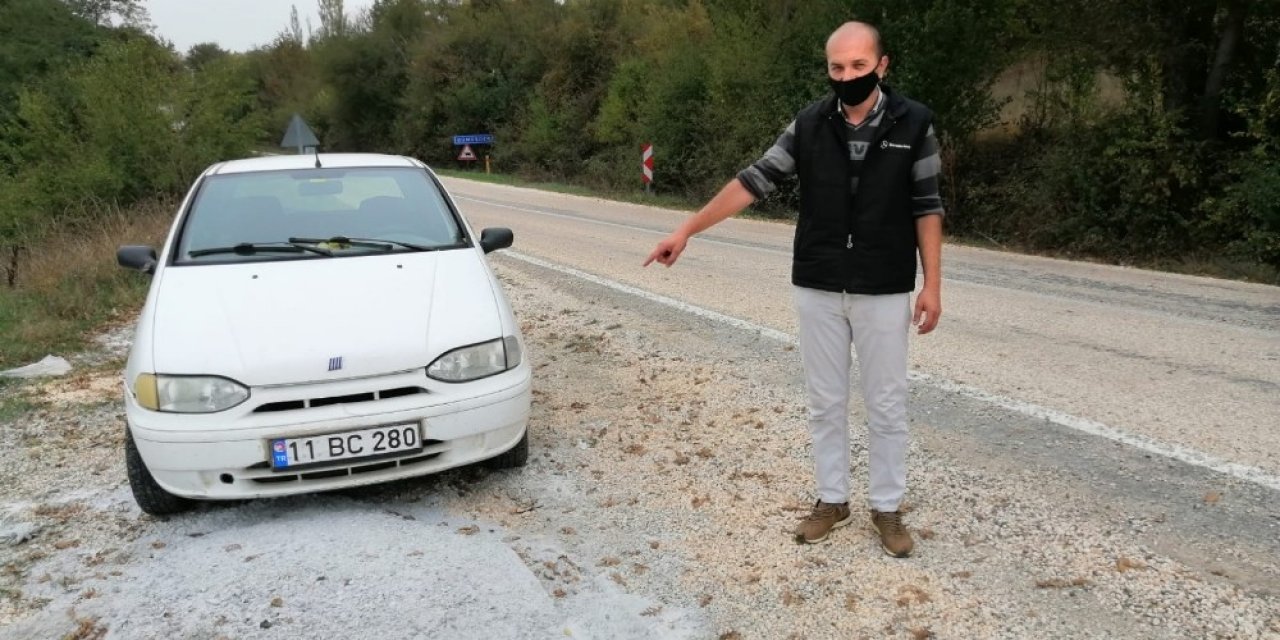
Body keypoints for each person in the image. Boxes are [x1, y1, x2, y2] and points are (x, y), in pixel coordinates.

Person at [643, 21, 944, 557]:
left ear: (882, 64)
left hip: (885, 285)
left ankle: (887, 508)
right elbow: (753, 180)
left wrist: (932, 285)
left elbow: (927, 206)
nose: (847, 76)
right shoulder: (809, 124)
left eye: (857, 65)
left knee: (887, 402)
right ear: (828, 68)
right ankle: (833, 500)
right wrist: (686, 229)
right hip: (819, 281)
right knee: (826, 402)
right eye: (837, 67)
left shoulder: (914, 122)